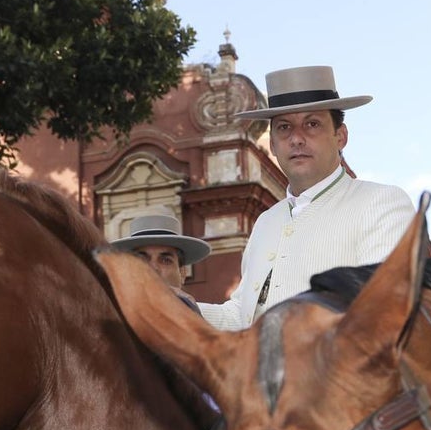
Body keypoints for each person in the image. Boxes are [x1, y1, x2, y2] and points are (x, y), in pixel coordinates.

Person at [197, 66, 415, 330]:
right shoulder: (266, 221)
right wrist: (178, 305)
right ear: (273, 145)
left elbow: (382, 311)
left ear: (340, 136)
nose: (297, 139)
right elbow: (240, 317)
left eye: (312, 124)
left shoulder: (381, 203)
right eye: (284, 127)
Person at [109, 210, 211, 296]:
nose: (154, 268)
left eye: (166, 260)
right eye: (142, 260)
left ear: (182, 273)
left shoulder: (202, 313)